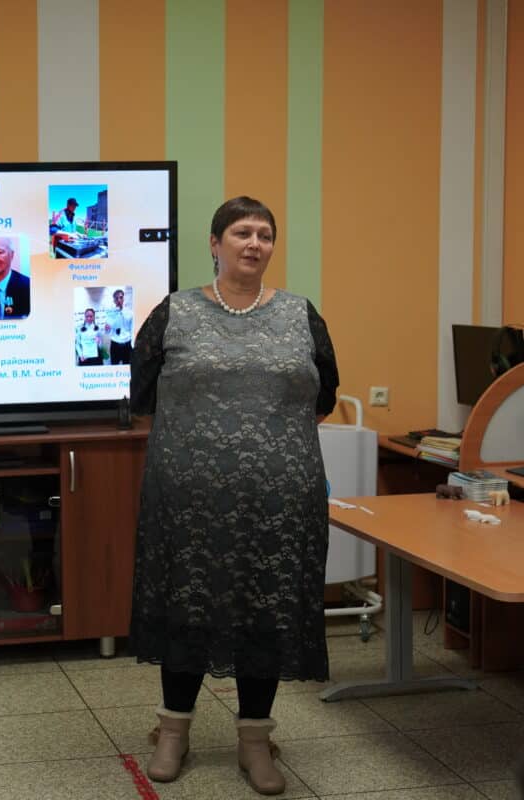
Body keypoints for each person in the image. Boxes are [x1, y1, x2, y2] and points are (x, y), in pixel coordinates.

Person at [129, 196, 339, 795]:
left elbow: (323, 397)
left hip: (281, 502)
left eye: (265, 234)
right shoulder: (174, 312)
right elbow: (142, 396)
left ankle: (254, 740)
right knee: (187, 606)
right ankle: (173, 731)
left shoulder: (302, 314)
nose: (254, 243)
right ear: (215, 243)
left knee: (264, 610)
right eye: (242, 232)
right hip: (188, 501)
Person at [105, 288, 133, 364]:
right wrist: (107, 329)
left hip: (127, 344)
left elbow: (132, 330)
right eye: (116, 298)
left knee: (128, 366)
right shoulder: (110, 313)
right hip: (115, 344)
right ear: (114, 300)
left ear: (123, 299)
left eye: (121, 297)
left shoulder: (130, 313)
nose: (119, 300)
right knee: (114, 366)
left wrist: (132, 345)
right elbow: (107, 332)